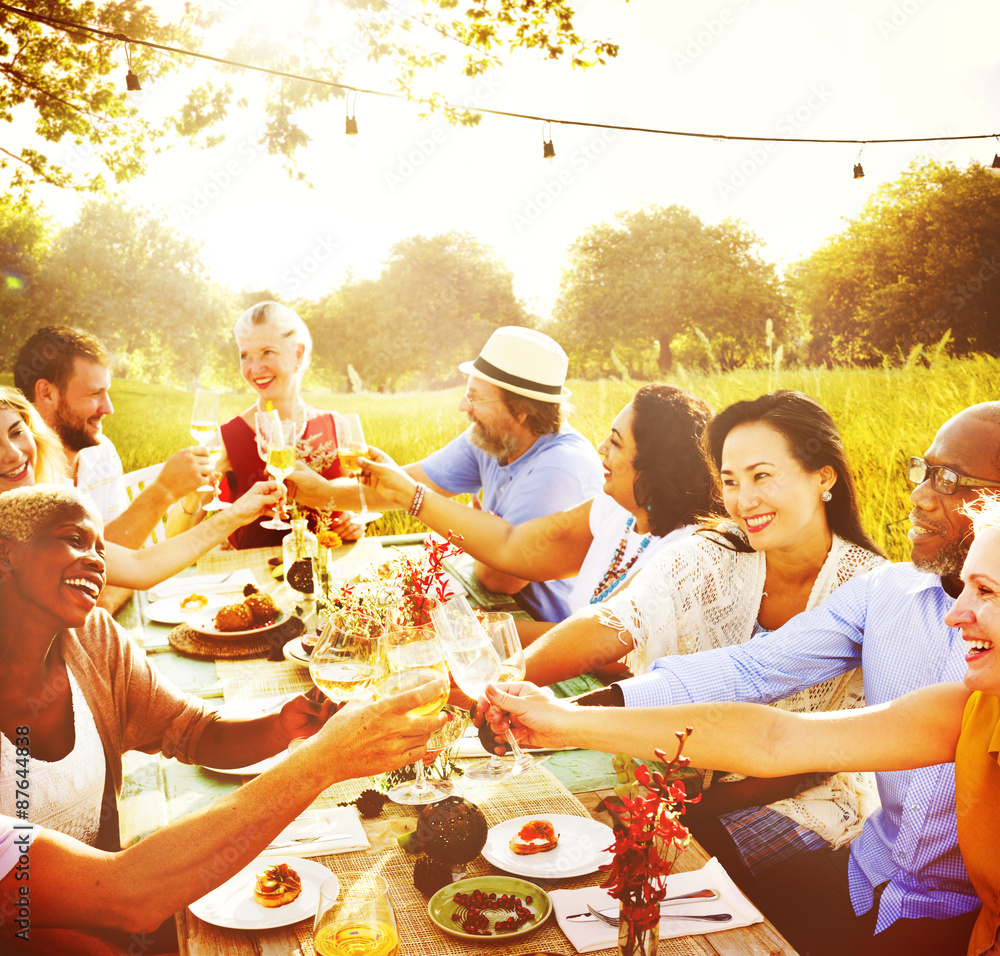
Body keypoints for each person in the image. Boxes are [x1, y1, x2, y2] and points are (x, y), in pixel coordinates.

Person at [512, 401, 1000, 955]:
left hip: (962, 917)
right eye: (924, 471)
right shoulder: (888, 595)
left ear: (824, 478)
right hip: (870, 878)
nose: (918, 495)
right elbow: (754, 681)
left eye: (952, 480)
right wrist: (577, 713)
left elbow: (796, 755)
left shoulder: (867, 581)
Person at [364, 384, 714, 650]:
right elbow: (512, 545)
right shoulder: (616, 509)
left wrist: (465, 630)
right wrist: (409, 494)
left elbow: (604, 650)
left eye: (617, 443)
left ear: (657, 467)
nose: (600, 448)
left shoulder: (687, 553)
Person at [290, 326, 604, 621]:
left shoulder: (560, 468)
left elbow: (500, 579)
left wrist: (478, 538)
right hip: (493, 610)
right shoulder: (491, 437)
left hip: (542, 634)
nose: (462, 407)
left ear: (522, 410)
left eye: (475, 397)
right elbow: (400, 485)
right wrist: (319, 491)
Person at [0, 386, 280, 593]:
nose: (12, 453)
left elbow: (141, 567)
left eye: (16, 432)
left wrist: (240, 513)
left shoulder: (42, 516)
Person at [168, 300, 363, 549]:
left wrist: (354, 522)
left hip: (329, 575)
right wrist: (194, 493)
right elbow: (173, 539)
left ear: (298, 354)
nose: (255, 368)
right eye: (245, 356)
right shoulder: (227, 439)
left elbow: (356, 503)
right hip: (252, 582)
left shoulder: (337, 426)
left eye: (268, 352)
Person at [13, 326, 210, 550]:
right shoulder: (18, 472)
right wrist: (163, 491)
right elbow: (76, 568)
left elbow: (123, 553)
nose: (109, 408)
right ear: (47, 394)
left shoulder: (101, 451)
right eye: (95, 393)